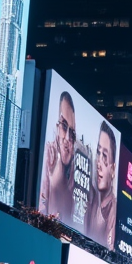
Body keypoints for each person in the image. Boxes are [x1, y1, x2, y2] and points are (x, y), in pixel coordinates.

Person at [39, 90, 81, 225]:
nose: (67, 138)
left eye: (72, 133)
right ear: (57, 127)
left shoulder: (77, 174)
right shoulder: (47, 156)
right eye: (64, 126)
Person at [87, 121, 118, 247]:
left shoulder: (113, 211)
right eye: (98, 153)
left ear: (113, 169)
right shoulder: (90, 200)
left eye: (104, 156)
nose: (99, 163)